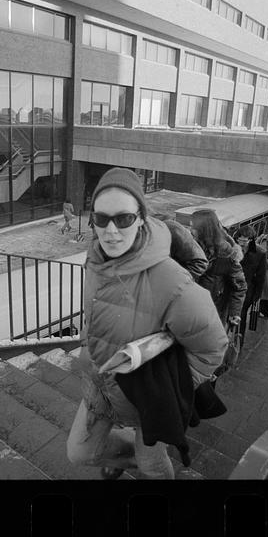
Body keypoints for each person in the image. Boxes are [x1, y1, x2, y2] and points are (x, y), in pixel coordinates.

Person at [66, 168, 228, 480]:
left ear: (141, 217)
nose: (111, 230)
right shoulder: (97, 259)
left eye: (123, 218)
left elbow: (213, 347)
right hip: (102, 382)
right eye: (101, 219)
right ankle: (125, 457)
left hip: (148, 400)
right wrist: (89, 340)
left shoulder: (171, 279)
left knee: (153, 466)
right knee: (79, 453)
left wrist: (171, 386)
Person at [189, 209, 247, 329]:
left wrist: (234, 313)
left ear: (203, 230)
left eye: (193, 227)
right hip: (190, 309)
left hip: (213, 312)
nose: (190, 230)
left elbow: (240, 286)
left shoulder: (226, 254)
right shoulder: (189, 247)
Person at [154, 214, 208, 282]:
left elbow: (200, 263)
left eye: (193, 226)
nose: (190, 229)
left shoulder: (171, 228)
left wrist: (172, 281)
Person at [234, 226, 266, 341]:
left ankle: (238, 342)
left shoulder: (260, 253)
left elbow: (261, 277)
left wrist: (257, 296)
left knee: (241, 316)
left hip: (247, 291)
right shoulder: (232, 248)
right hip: (230, 288)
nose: (241, 243)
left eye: (245, 240)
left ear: (251, 239)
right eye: (240, 240)